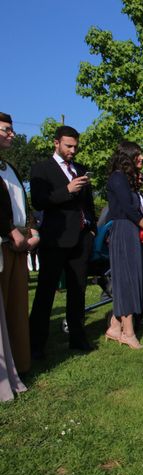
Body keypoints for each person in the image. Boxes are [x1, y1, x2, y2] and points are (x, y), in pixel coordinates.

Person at [29, 125, 97, 357]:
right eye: (68, 146)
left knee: (78, 290)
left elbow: (87, 203)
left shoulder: (80, 169)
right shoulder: (42, 169)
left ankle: (78, 338)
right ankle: (36, 344)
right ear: (56, 143)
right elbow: (38, 201)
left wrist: (92, 229)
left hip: (81, 238)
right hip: (56, 239)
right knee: (46, 292)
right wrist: (67, 189)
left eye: (76, 146)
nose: (73, 150)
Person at [104, 142, 143, 350]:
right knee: (126, 279)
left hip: (131, 231)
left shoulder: (127, 180)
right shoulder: (118, 177)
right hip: (123, 230)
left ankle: (115, 327)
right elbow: (126, 208)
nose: (142, 160)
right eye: (138, 156)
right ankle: (129, 332)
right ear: (129, 157)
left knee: (133, 278)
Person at [0, 112, 31, 373]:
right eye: (6, 130)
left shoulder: (10, 168)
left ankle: (19, 363)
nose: (12, 134)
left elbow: (21, 202)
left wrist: (30, 230)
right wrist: (9, 230)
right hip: (4, 242)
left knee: (18, 306)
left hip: (20, 243)